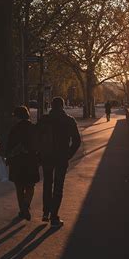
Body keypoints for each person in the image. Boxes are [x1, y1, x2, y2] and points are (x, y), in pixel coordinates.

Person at [38, 96, 81, 227]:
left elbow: (37, 138)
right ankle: (54, 216)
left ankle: (46, 212)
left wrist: (40, 153)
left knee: (47, 184)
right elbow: (76, 141)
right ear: (62, 106)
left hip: (47, 156)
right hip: (61, 156)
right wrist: (68, 155)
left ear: (52, 105)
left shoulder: (44, 120)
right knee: (58, 186)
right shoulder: (69, 120)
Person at [6, 106, 40, 220]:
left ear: (17, 116)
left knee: (19, 187)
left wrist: (8, 158)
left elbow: (9, 146)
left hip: (17, 162)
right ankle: (26, 205)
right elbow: (37, 144)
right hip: (31, 160)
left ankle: (22, 209)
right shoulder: (33, 128)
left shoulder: (14, 129)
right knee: (30, 186)